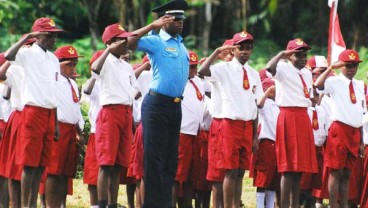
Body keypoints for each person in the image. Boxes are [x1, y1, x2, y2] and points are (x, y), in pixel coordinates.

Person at [127, 0, 190, 207]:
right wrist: (152, 26)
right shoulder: (155, 40)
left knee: (171, 160)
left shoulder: (181, 45)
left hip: (175, 105)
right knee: (155, 160)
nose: (180, 23)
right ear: (164, 21)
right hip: (157, 104)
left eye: (181, 19)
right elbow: (128, 42)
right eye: (175, 19)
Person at [199, 31, 263, 208]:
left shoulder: (253, 73)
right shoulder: (222, 68)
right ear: (233, 50)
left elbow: (255, 104)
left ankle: (236, 204)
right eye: (240, 47)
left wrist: (255, 136)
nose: (244, 51)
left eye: (248, 48)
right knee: (230, 170)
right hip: (229, 124)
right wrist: (218, 50)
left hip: (247, 125)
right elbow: (202, 71)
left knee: (241, 171)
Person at [4, 17, 64, 207]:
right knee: (29, 164)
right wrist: (27, 37)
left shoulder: (54, 59)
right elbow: (8, 55)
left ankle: (32, 204)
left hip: (48, 114)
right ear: (39, 35)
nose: (54, 39)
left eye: (54, 35)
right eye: (49, 35)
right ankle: (25, 205)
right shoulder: (27, 53)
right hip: (32, 112)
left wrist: (55, 123)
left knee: (41, 164)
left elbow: (53, 92)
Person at [91, 23, 139, 208]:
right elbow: (95, 69)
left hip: (125, 113)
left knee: (119, 163)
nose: (126, 43)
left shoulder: (125, 66)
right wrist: (108, 50)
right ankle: (101, 204)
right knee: (106, 163)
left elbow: (134, 90)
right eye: (121, 40)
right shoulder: (105, 61)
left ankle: (112, 203)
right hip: (110, 113)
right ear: (110, 42)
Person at [266, 38, 318, 208]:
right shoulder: (282, 68)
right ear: (290, 56)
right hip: (288, 116)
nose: (303, 58)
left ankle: (294, 205)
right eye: (298, 55)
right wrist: (282, 54)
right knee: (288, 168)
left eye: (304, 55)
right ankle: (284, 205)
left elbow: (308, 95)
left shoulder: (307, 72)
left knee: (299, 168)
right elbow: (269, 68)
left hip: (303, 116)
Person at [314, 49, 366, 208]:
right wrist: (330, 68)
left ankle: (343, 204)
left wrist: (362, 141)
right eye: (347, 65)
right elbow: (317, 85)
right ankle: (333, 204)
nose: (351, 69)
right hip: (339, 129)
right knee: (335, 171)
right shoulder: (334, 81)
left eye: (354, 66)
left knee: (347, 173)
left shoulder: (359, 85)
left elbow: (361, 113)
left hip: (355, 131)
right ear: (341, 65)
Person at [43, 45, 84, 207]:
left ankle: (61, 204)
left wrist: (80, 131)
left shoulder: (72, 83)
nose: (72, 68)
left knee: (65, 173)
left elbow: (75, 109)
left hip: (72, 129)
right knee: (54, 171)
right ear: (58, 63)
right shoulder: (53, 79)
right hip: (58, 127)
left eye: (74, 64)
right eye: (68, 64)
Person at [172, 51, 205, 208]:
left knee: (192, 174)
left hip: (195, 133)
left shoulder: (197, 81)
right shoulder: (176, 81)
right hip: (181, 132)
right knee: (177, 175)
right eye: (191, 67)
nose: (194, 70)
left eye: (195, 66)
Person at [252, 78, 280, 208]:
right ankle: (259, 205)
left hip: (278, 144)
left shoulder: (279, 104)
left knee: (274, 178)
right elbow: (258, 104)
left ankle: (269, 205)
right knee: (263, 177)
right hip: (267, 143)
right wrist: (268, 91)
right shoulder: (266, 103)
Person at [82, 49, 104, 208]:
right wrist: (96, 75)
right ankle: (94, 204)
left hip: (110, 131)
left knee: (109, 170)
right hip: (97, 132)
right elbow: (86, 92)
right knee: (93, 171)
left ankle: (109, 202)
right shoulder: (93, 82)